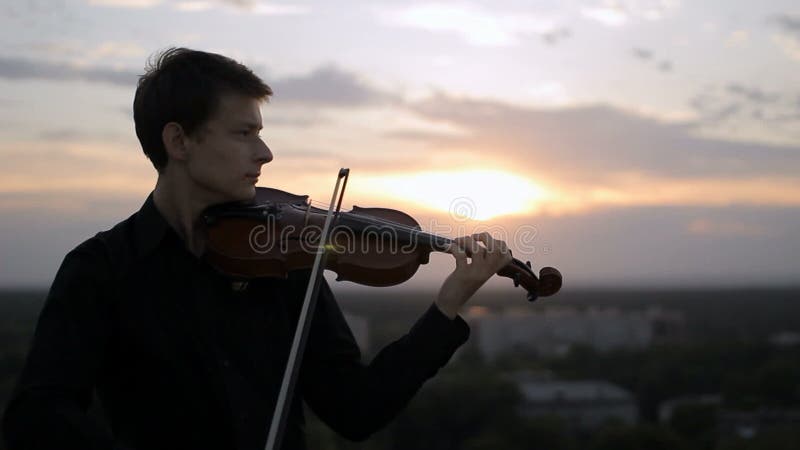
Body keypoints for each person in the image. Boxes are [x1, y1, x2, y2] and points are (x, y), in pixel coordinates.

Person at [2, 48, 512, 450]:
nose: (265, 153)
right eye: (244, 133)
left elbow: (356, 411)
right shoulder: (102, 270)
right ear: (179, 141)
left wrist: (447, 306)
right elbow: (37, 418)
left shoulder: (282, 260)